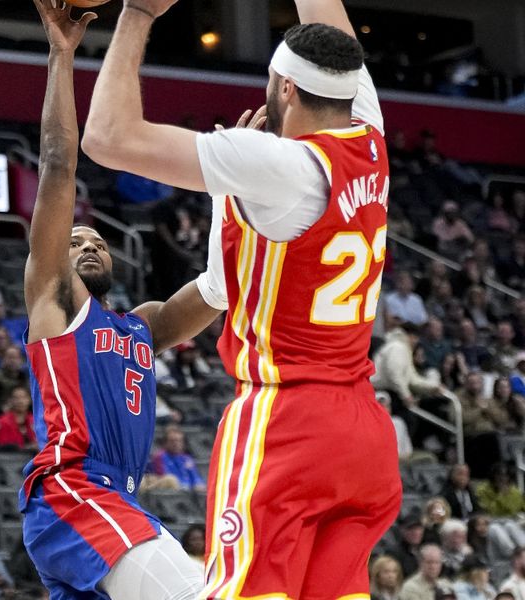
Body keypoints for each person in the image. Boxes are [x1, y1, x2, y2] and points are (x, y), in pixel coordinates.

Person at [84, 0, 405, 594]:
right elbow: (333, 38)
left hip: (288, 423)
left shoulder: (277, 162)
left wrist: (137, 14)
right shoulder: (371, 136)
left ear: (285, 87)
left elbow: (106, 138)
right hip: (364, 433)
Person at [20, 2, 225, 598]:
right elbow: (58, 165)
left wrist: (237, 187)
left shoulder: (141, 327)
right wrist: (62, 55)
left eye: (96, 240)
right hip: (75, 492)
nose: (85, 243)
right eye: (74, 239)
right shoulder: (55, 302)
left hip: (110, 505)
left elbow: (217, 286)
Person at [145, 425, 206, 492]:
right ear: (165, 443)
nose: (176, 444)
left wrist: (199, 486)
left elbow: (196, 478)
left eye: (179, 441)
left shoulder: (187, 458)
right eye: (172, 441)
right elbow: (166, 478)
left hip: (189, 491)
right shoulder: (159, 457)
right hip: (172, 492)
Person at [0, 385, 36, 451]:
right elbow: (2, 446)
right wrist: (26, 448)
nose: (20, 401)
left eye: (24, 397)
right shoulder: (2, 421)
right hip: (11, 459)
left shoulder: (36, 421)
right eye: (16, 398)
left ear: (30, 399)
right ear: (10, 400)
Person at [390, 513, 426, 579]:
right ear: (402, 530)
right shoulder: (394, 553)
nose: (416, 532)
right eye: (411, 529)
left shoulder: (425, 550)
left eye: (418, 529)